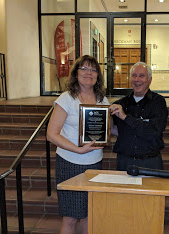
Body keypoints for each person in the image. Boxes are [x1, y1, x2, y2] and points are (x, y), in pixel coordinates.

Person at [47, 55, 109, 234]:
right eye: (84, 69)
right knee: (71, 217)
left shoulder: (102, 100)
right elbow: (51, 134)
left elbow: (106, 129)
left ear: (98, 75)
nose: (89, 73)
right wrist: (78, 150)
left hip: (94, 164)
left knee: (89, 214)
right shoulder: (66, 98)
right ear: (76, 73)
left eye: (93, 69)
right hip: (69, 163)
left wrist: (118, 117)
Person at [109, 61, 168, 171]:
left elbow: (154, 131)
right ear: (130, 79)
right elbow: (114, 130)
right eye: (134, 76)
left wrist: (125, 117)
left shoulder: (158, 102)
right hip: (124, 162)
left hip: (150, 163)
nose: (137, 80)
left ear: (149, 80)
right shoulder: (120, 103)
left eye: (142, 76)